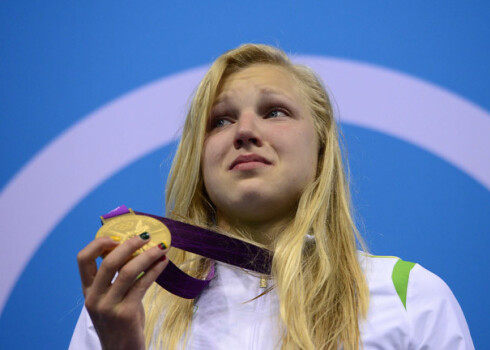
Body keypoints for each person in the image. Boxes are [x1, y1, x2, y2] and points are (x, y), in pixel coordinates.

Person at [70, 44, 474, 349]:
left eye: (275, 111)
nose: (244, 131)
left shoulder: (410, 296)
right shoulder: (129, 303)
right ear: (199, 157)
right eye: (220, 120)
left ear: (320, 148)